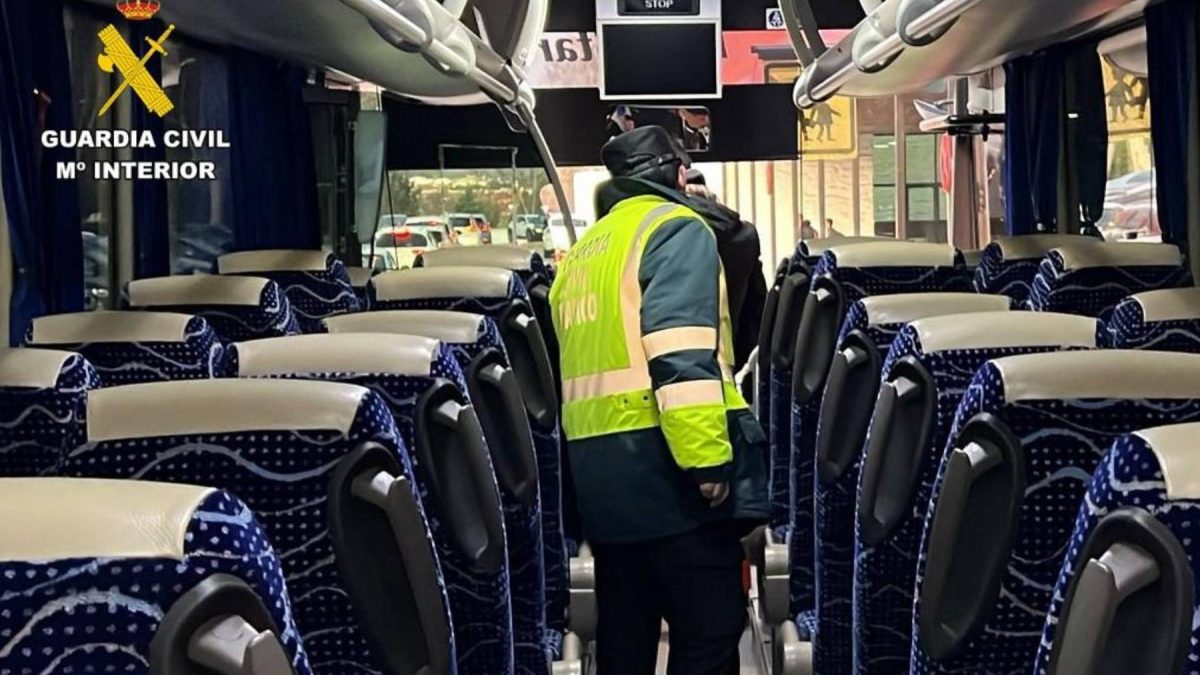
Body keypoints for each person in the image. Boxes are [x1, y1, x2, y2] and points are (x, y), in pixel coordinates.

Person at [549, 126, 768, 675]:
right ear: (677, 174)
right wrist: (707, 462)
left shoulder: (581, 255)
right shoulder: (675, 230)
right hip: (666, 474)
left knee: (627, 634)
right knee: (712, 627)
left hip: (599, 481)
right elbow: (680, 355)